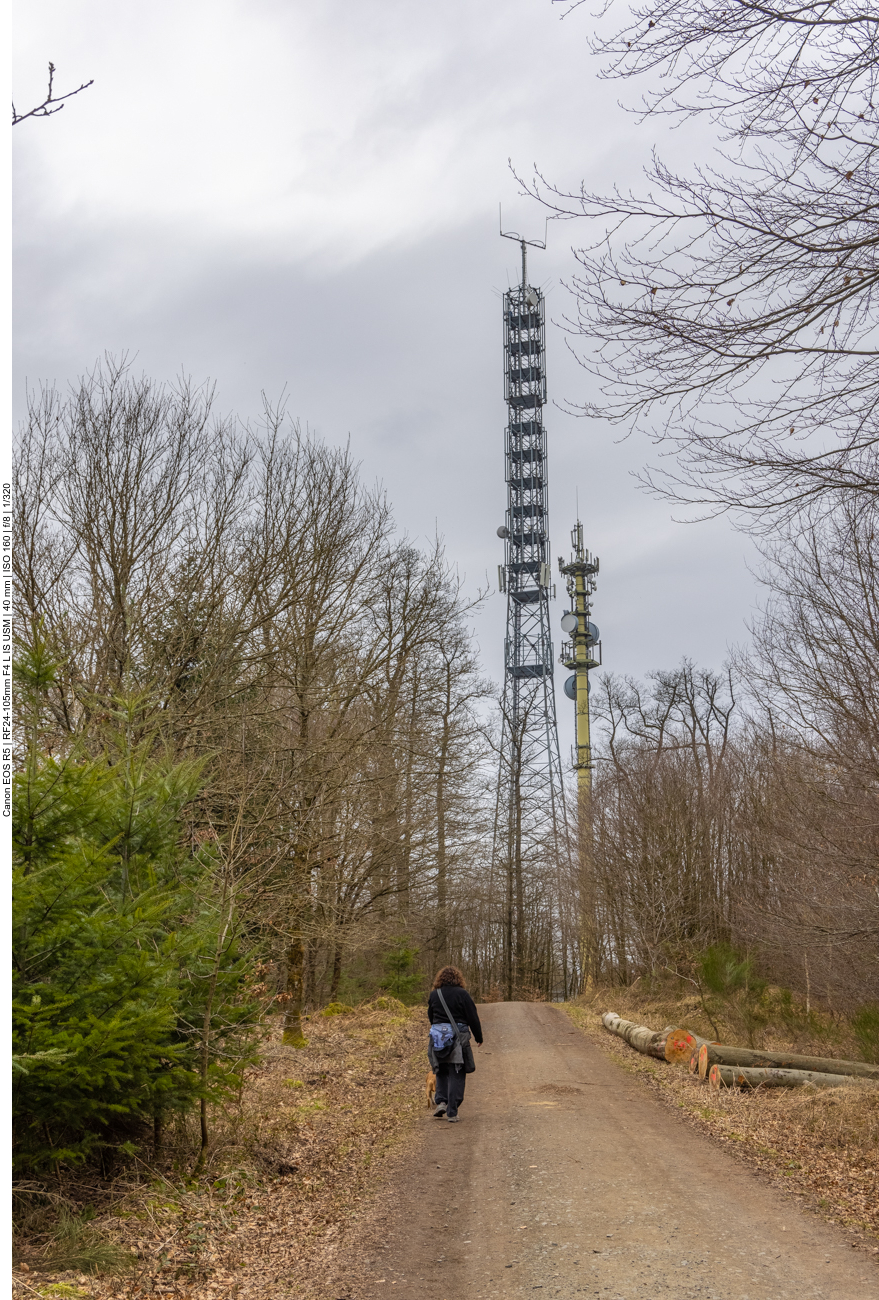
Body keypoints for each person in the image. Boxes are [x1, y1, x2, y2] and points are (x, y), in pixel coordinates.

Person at [427, 966, 483, 1122]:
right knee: (457, 1071)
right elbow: (472, 1016)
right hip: (458, 1037)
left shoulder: (434, 994)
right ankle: (452, 1111)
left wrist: (440, 1030)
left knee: (441, 1069)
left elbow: (431, 1016)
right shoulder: (462, 994)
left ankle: (442, 1101)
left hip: (438, 1038)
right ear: (459, 979)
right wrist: (479, 1037)